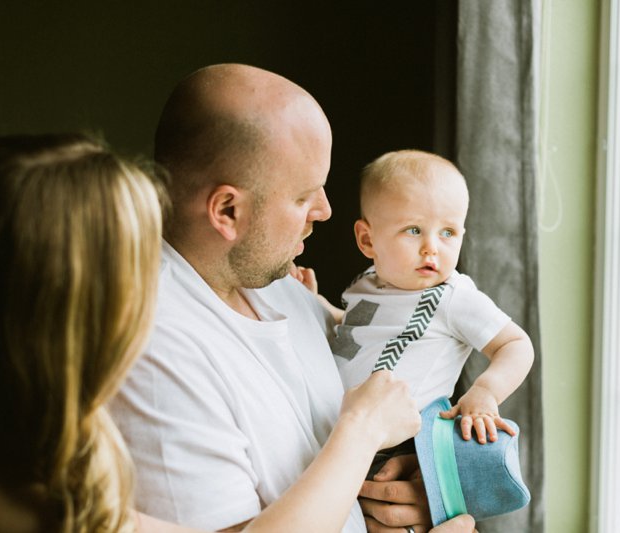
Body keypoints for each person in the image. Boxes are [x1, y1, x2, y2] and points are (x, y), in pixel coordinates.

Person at [0, 133, 475, 533]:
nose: (163, 283)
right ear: (69, 310)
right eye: (144, 259)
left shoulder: (11, 407)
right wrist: (361, 429)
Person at [109, 63, 476, 533]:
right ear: (227, 210)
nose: (324, 211)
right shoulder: (157, 345)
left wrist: (390, 493)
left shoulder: (280, 285)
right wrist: (362, 432)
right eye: (305, 196)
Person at [328, 149, 535, 445]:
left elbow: (516, 344)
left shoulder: (451, 298)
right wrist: (315, 304)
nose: (431, 248)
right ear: (367, 240)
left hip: (397, 446)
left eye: (448, 232)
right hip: (338, 432)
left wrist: (486, 390)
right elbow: (358, 333)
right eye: (414, 230)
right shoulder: (367, 283)